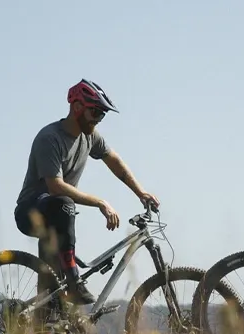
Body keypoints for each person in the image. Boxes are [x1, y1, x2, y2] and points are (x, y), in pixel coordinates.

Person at [13, 79, 160, 305]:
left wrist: (141, 193)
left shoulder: (90, 136)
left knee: (52, 290)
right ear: (77, 107)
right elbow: (55, 186)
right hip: (30, 211)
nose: (99, 119)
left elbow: (115, 162)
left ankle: (45, 319)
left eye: (103, 114)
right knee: (64, 203)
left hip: (59, 216)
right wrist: (100, 202)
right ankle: (74, 281)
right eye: (95, 112)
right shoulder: (49, 138)